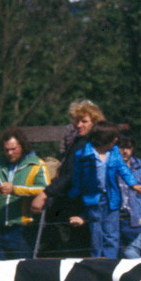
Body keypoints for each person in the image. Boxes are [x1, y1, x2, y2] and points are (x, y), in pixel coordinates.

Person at [30, 98, 105, 255]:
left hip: (81, 205)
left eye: (84, 121)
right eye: (76, 121)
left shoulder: (88, 145)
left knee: (74, 249)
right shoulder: (78, 141)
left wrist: (45, 193)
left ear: (94, 122)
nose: (79, 125)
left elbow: (71, 174)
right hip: (73, 202)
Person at [68, 120, 141, 258]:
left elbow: (123, 169)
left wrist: (133, 184)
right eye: (113, 137)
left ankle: (110, 262)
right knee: (96, 234)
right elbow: (77, 176)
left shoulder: (114, 152)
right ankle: (97, 261)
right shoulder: (83, 155)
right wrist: (75, 192)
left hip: (111, 199)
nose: (116, 140)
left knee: (111, 234)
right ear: (104, 139)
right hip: (93, 199)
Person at [0, 127, 49, 260]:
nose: (9, 153)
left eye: (13, 149)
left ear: (22, 146)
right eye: (6, 150)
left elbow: (45, 189)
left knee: (21, 271)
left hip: (23, 229)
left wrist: (15, 189)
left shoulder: (37, 164)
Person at [117, 131, 141, 253]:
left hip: (136, 221)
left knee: (137, 256)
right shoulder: (111, 167)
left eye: (128, 147)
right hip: (116, 221)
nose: (125, 151)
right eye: (121, 147)